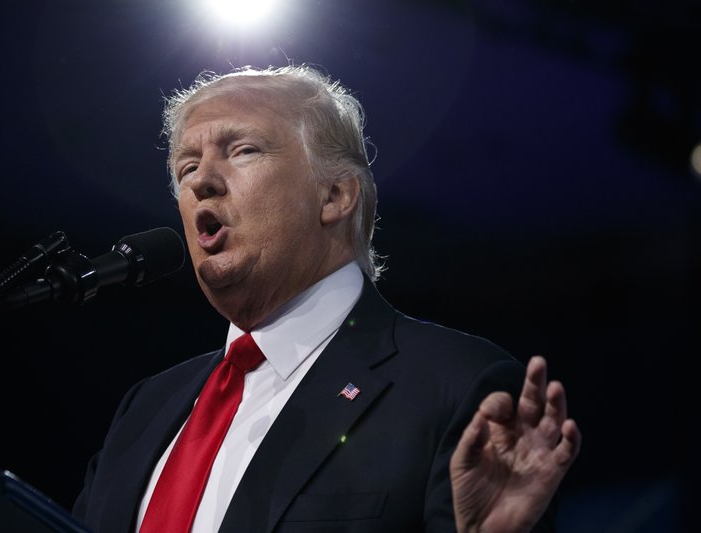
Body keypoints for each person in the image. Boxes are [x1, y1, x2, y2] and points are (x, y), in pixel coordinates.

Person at [72, 64, 581, 533]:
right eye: (186, 168)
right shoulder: (144, 410)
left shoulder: (457, 385)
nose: (201, 181)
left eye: (243, 150)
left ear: (335, 195)